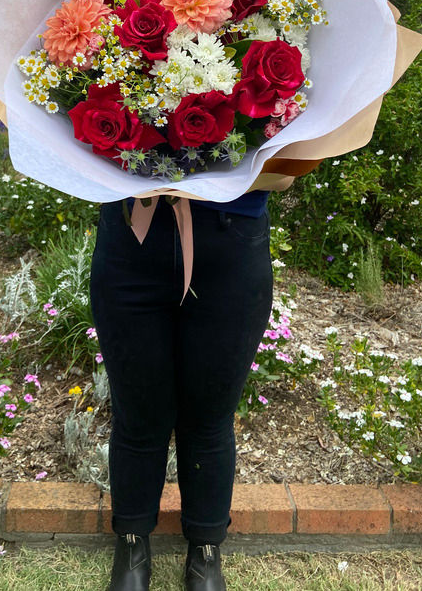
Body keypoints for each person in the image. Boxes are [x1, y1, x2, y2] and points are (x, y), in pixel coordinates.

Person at [90, 188, 273, 591]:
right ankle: (132, 542)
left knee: (209, 414)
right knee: (139, 411)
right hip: (131, 234)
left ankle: (206, 551)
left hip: (231, 237)